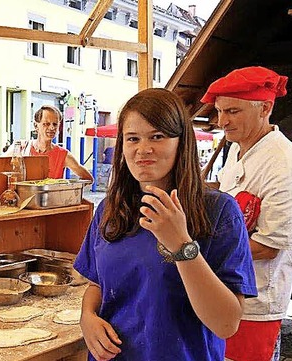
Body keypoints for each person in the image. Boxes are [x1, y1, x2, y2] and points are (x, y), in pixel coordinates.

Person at [74, 88, 257, 361]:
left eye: (157, 136)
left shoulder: (218, 211)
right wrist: (87, 317)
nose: (143, 149)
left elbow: (226, 324)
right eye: (132, 138)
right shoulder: (110, 209)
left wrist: (181, 245)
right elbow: (98, 284)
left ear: (181, 142)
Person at [201, 66, 292, 361]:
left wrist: (198, 252)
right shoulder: (237, 149)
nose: (221, 122)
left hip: (256, 303)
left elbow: (268, 247)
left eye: (232, 111)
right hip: (224, 291)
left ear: (265, 108)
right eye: (218, 111)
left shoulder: (283, 162)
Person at [8, 105, 94, 181]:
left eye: (55, 124)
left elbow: (88, 178)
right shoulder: (21, 148)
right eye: (46, 124)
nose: (52, 127)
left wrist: (69, 190)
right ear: (36, 126)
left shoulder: (63, 155)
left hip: (53, 199)